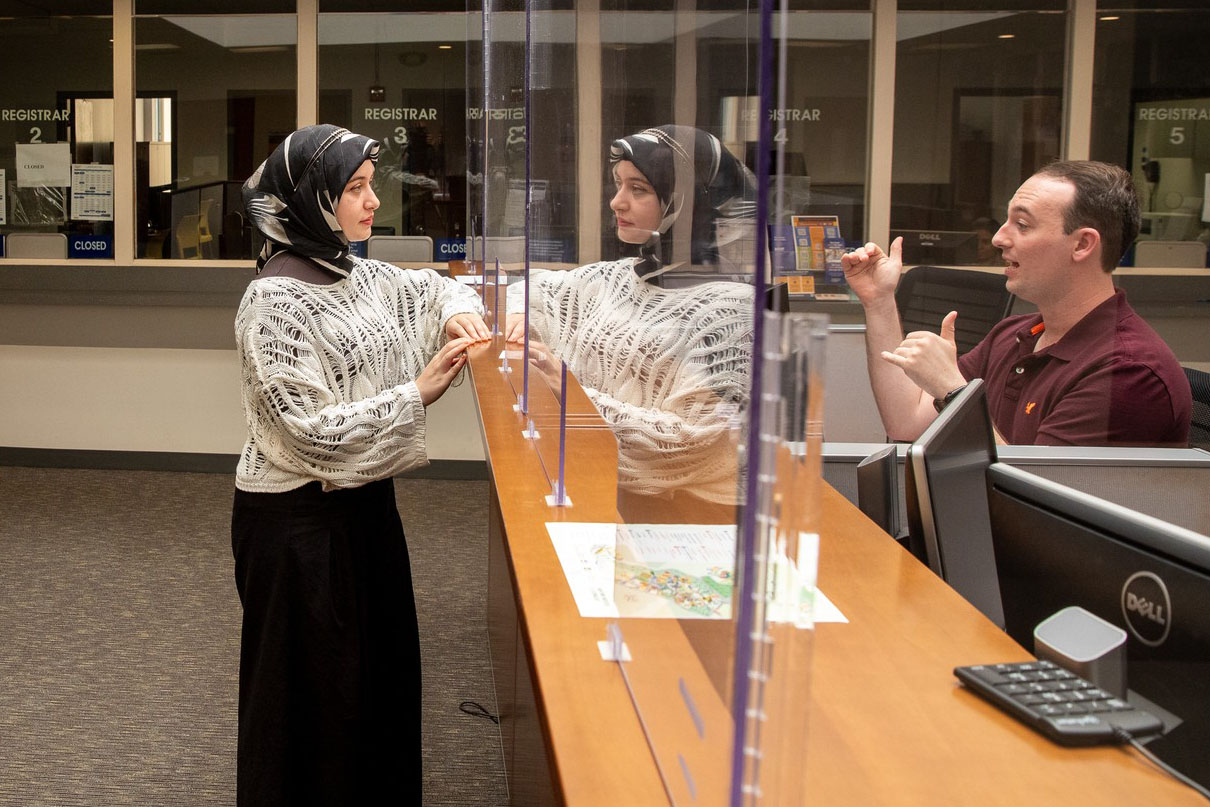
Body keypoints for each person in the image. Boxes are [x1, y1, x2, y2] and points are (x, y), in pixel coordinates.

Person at [231, 124, 489, 806]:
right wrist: (417, 391)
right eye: (354, 189)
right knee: (309, 703)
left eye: (371, 185)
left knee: (377, 681)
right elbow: (306, 432)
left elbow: (439, 290)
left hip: (366, 507)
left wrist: (460, 313)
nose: (373, 202)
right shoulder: (272, 302)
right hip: (297, 525)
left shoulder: (358, 271)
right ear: (311, 199)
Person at [843, 159, 1191, 447]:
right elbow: (907, 423)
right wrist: (879, 302)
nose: (998, 238)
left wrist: (953, 392)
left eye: (1022, 225)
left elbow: (1037, 497)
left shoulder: (1127, 372)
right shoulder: (1013, 335)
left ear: (1083, 244)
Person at [504, 125, 757, 504]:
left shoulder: (731, 309)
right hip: (593, 485)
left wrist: (570, 391)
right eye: (618, 185)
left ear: (688, 201)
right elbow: (531, 291)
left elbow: (699, 440)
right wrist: (519, 314)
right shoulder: (621, 275)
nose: (617, 202)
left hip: (686, 515)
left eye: (638, 189)